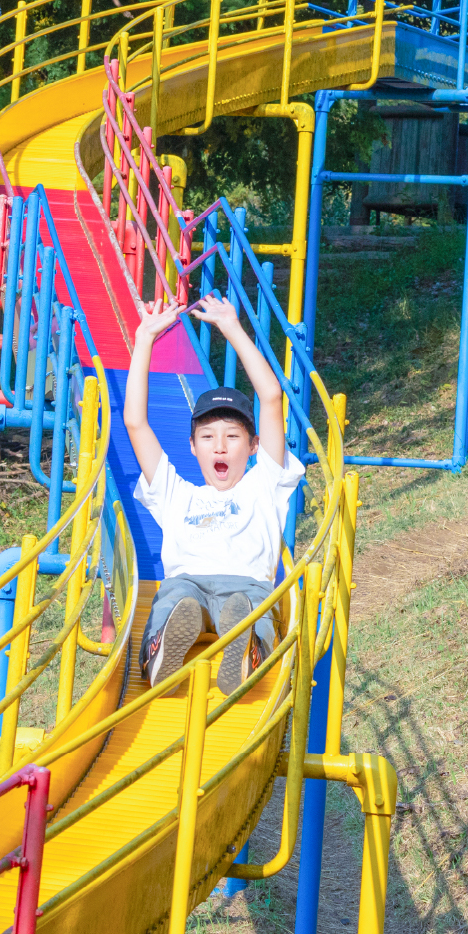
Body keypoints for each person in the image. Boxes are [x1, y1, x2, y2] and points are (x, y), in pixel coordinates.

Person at [123, 293, 304, 695]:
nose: (219, 446)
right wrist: (144, 340)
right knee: (176, 600)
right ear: (192, 446)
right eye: (207, 437)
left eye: (232, 436)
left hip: (245, 585)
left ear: (254, 445)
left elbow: (271, 397)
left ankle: (246, 649)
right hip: (187, 582)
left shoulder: (264, 484)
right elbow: (135, 423)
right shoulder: (176, 494)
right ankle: (161, 654)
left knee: (246, 608)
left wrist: (231, 328)